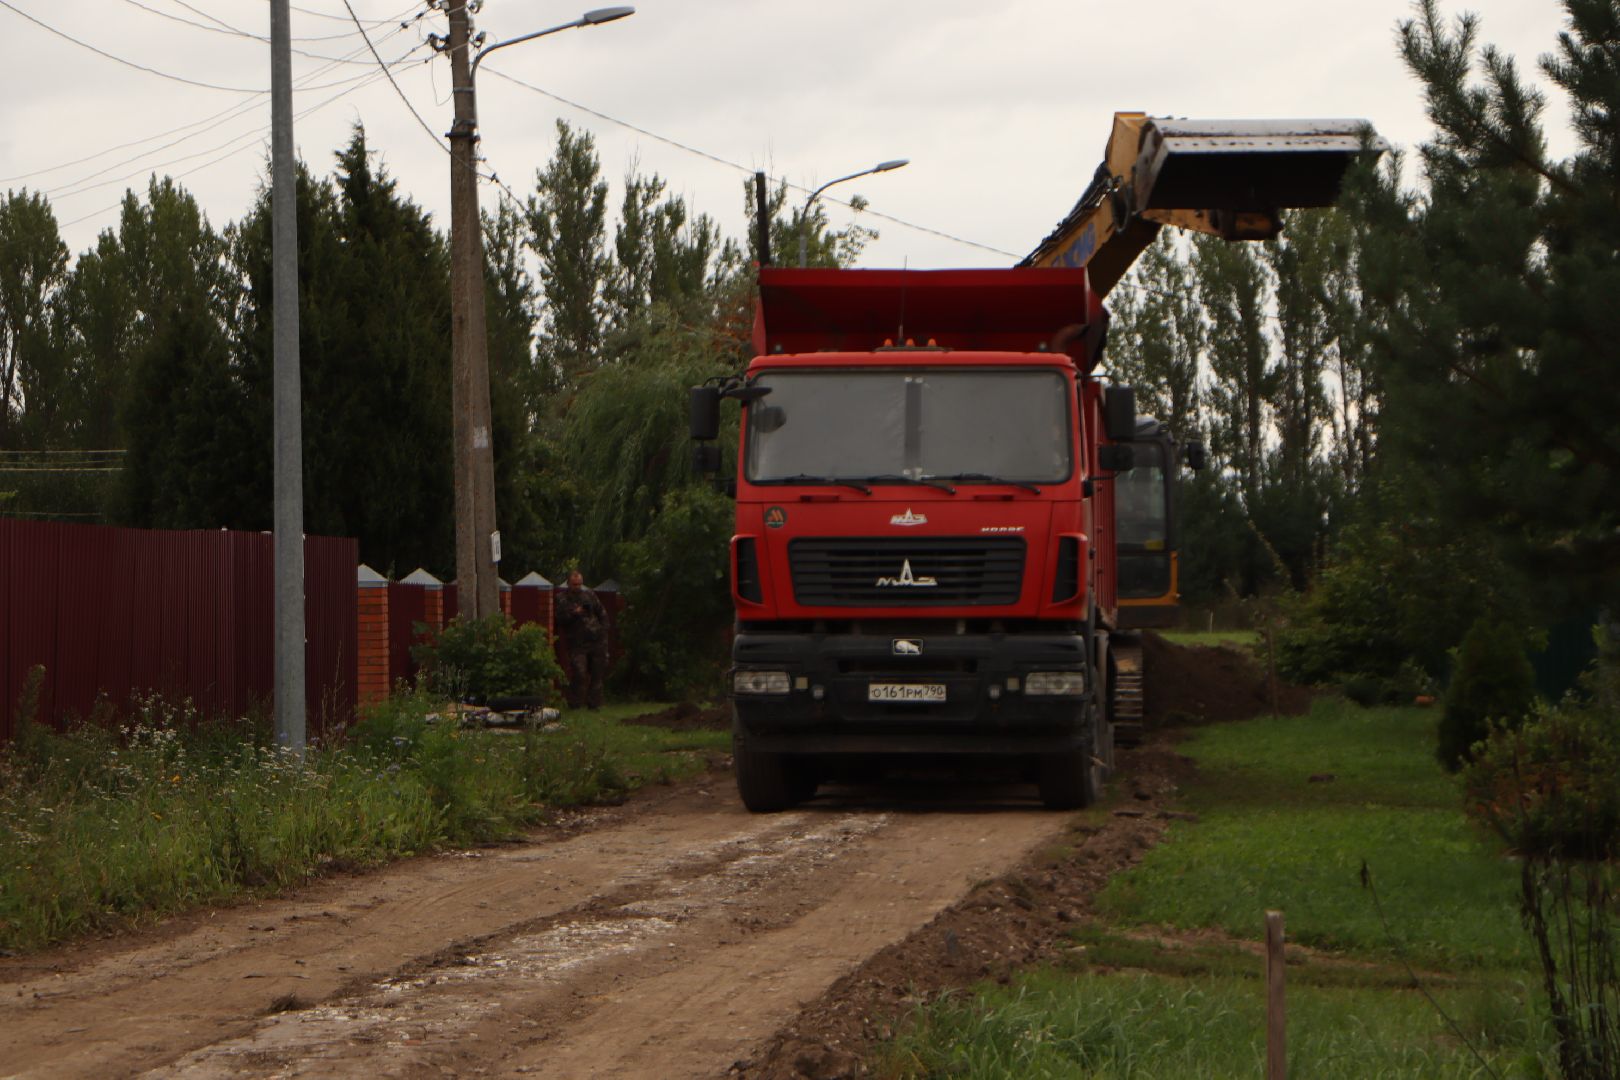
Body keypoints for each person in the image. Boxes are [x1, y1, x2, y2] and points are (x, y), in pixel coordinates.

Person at [554, 569, 608, 709]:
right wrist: (574, 613)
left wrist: (603, 631)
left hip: (596, 640)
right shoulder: (562, 598)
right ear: (568, 584)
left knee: (597, 673)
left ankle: (594, 703)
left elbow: (602, 613)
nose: (577, 587)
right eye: (574, 584)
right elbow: (560, 619)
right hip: (577, 643)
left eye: (579, 584)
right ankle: (575, 703)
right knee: (579, 673)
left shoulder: (589, 595)